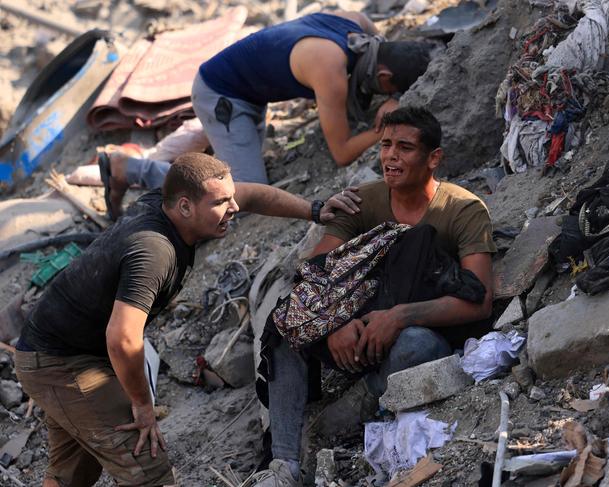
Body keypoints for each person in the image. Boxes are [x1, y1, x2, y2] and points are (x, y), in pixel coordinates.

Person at [13, 152, 360, 487]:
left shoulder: (169, 203)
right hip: (60, 363)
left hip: (62, 347)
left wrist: (314, 210)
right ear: (184, 206)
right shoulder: (155, 251)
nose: (234, 208)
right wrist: (142, 406)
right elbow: (122, 338)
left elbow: (250, 195)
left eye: (230, 198)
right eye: (221, 203)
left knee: (73, 471)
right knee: (147, 470)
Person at [252, 107, 497, 486]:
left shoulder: (462, 210)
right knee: (286, 329)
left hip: (412, 330)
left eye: (404, 147)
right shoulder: (362, 201)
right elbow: (315, 272)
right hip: (356, 325)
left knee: (415, 346)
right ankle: (284, 465)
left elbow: (479, 300)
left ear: (434, 158)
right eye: (385, 145)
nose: (390, 156)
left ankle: (360, 404)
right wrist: (334, 323)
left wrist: (399, 317)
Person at [101, 9, 432, 218]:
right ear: (384, 78)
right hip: (222, 94)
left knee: (231, 161)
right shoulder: (329, 69)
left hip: (248, 86)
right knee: (240, 193)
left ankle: (214, 144)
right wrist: (383, 128)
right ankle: (128, 168)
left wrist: (397, 97)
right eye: (388, 90)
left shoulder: (358, 23)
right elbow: (342, 153)